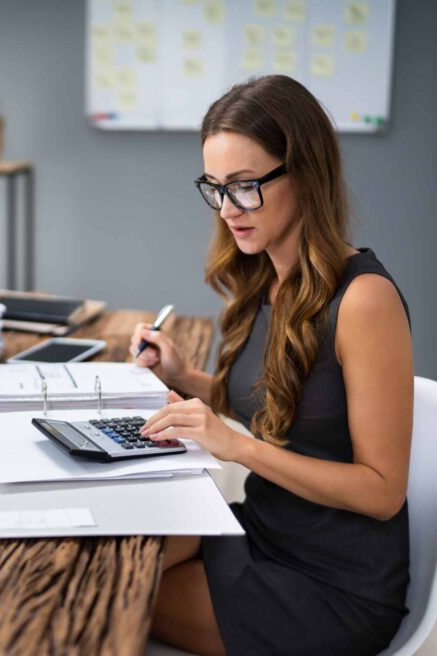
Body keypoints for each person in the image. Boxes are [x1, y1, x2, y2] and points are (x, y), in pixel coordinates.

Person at [131, 75, 412, 656]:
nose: (229, 209)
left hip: (334, 584)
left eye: (246, 186)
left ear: (305, 172)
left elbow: (383, 491)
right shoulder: (271, 278)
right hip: (265, 528)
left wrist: (240, 449)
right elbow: (288, 410)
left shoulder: (363, 300)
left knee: (117, 597)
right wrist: (187, 379)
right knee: (116, 557)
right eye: (215, 188)